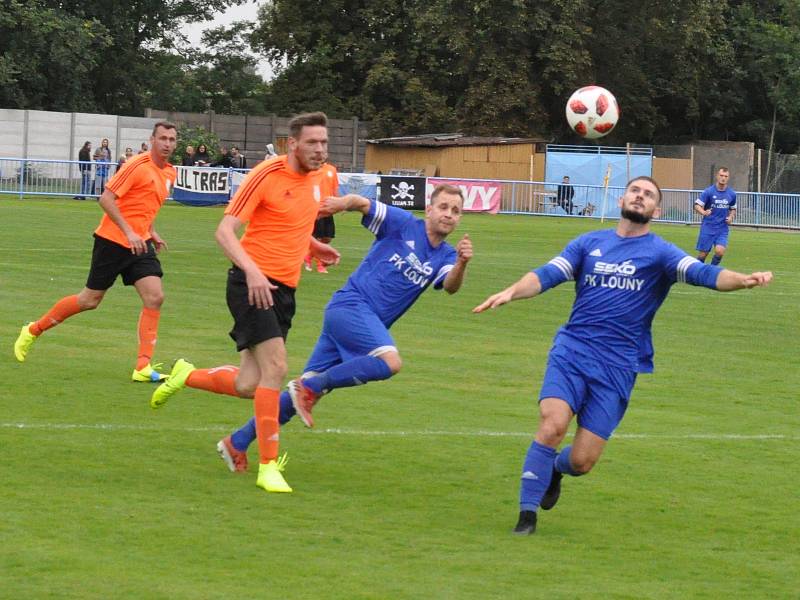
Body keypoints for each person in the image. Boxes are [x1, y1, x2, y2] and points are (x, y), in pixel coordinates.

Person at [473, 176, 773, 536]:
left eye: (649, 195)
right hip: (572, 351)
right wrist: (511, 291)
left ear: (656, 210)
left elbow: (704, 273)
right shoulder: (588, 243)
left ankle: (555, 469)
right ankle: (526, 516)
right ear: (622, 200)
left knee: (582, 461)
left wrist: (743, 279)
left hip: (618, 366)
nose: (640, 196)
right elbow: (547, 275)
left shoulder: (660, 253)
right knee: (552, 424)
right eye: (635, 191)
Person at [217, 184, 473, 474]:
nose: (449, 215)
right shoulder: (403, 224)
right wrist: (342, 202)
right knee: (390, 362)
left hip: (359, 324)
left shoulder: (447, 256)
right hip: (351, 307)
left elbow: (450, 286)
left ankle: (236, 443)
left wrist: (462, 263)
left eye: (456, 211)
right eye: (443, 207)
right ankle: (311, 387)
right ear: (429, 209)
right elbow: (363, 203)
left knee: (293, 399)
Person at [148, 112, 341, 494]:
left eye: (324, 143)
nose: (320, 150)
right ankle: (267, 466)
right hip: (250, 284)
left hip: (285, 289)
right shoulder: (267, 175)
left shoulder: (323, 178)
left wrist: (314, 246)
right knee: (278, 368)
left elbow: (293, 225)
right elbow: (224, 232)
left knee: (249, 384)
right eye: (312, 143)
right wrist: (253, 271)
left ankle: (186, 375)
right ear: (293, 144)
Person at [14, 122, 179, 383]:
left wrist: (150, 231)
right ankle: (33, 329)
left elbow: (143, 204)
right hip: (113, 241)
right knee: (89, 300)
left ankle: (142, 367)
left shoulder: (171, 172)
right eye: (163, 138)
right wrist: (128, 232)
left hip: (140, 243)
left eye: (172, 139)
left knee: (155, 297)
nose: (167, 144)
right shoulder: (137, 165)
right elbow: (106, 199)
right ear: (153, 140)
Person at [694, 167, 736, 265]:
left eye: (726, 176)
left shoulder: (732, 194)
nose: (723, 178)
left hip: (722, 228)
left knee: (720, 251)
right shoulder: (709, 191)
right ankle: (696, 272)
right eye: (721, 175)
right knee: (703, 254)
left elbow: (733, 208)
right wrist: (704, 212)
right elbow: (697, 205)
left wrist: (730, 217)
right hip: (708, 227)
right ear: (717, 176)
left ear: (728, 178)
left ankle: (711, 271)